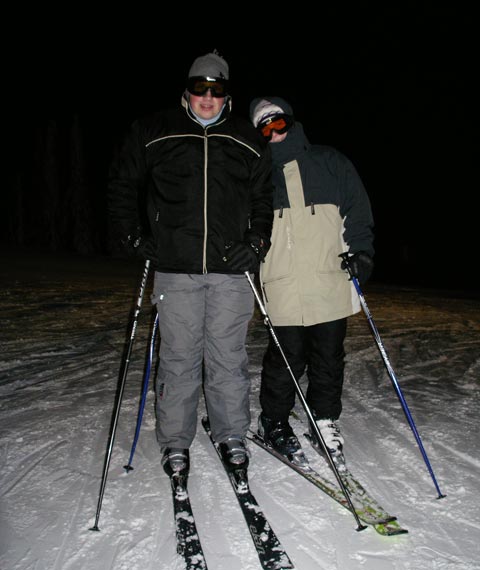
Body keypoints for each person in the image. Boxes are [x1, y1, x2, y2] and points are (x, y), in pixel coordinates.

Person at [107, 51, 273, 476]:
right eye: (200, 88)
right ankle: (175, 441)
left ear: (226, 95)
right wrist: (133, 236)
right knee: (179, 357)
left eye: (216, 90)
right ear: (187, 89)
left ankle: (231, 433)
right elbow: (123, 185)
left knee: (227, 357)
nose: (207, 97)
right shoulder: (154, 130)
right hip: (175, 266)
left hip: (230, 271)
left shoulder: (245, 139)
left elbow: (263, 200)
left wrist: (256, 243)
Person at [249, 97, 374, 469]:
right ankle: (273, 420)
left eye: (278, 123)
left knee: (328, 357)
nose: (273, 133)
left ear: (291, 121)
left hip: (328, 278)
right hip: (282, 280)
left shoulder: (329, 161)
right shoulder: (256, 173)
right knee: (285, 358)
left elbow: (358, 211)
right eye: (264, 128)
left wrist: (362, 253)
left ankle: (324, 420)